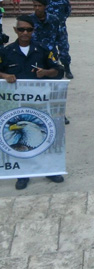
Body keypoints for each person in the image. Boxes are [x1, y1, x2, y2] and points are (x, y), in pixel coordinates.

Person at [0, 15, 64, 190]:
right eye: (21, 29)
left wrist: (46, 72)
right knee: (20, 141)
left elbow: (58, 71)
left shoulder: (43, 50)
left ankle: (49, 170)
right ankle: (23, 174)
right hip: (15, 104)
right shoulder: (5, 52)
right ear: (15, 30)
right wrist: (4, 75)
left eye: (28, 29)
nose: (25, 33)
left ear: (33, 31)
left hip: (40, 103)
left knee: (45, 136)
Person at [44, 0, 73, 79]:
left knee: (64, 50)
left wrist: (61, 20)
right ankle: (53, 69)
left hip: (61, 30)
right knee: (50, 51)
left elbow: (68, 11)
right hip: (48, 30)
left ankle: (67, 69)